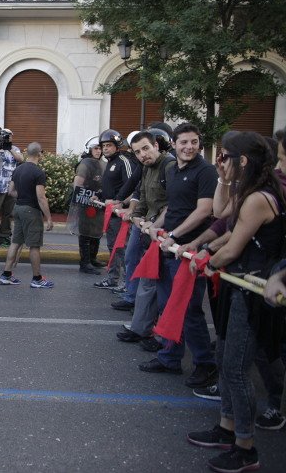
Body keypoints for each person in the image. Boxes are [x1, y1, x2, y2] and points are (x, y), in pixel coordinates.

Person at [186, 131, 286, 473]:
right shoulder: (246, 190)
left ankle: (246, 448)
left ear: (242, 161)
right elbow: (222, 215)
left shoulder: (260, 197)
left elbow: (234, 246)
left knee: (236, 370)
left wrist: (206, 260)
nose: (220, 163)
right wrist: (224, 180)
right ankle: (226, 428)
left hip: (251, 290)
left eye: (225, 158)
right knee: (224, 356)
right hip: (236, 284)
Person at [140, 122, 218, 388]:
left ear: (199, 144)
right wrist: (157, 225)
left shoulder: (206, 171)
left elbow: (204, 211)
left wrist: (174, 235)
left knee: (189, 310)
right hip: (168, 248)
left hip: (187, 251)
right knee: (167, 306)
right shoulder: (173, 170)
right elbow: (172, 206)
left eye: (194, 142)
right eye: (183, 142)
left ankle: (205, 364)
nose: (189, 147)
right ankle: (170, 357)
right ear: (173, 144)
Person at [115, 131, 174, 346]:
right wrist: (137, 217)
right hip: (150, 234)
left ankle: (162, 339)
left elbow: (173, 204)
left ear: (156, 145)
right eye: (138, 152)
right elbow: (143, 198)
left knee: (164, 290)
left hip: (165, 236)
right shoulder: (147, 168)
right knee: (147, 283)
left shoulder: (169, 166)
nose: (142, 155)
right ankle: (141, 329)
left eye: (146, 148)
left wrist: (154, 225)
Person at [0, 142, 54, 288]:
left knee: (15, 242)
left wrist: (23, 195)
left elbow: (10, 191)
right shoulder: (38, 173)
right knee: (34, 246)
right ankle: (37, 279)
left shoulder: (18, 169)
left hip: (18, 208)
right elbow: (41, 198)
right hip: (31, 211)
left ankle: (6, 275)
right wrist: (49, 218)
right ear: (39, 154)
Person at [94, 129, 134, 290]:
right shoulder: (110, 163)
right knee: (112, 247)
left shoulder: (124, 161)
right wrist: (100, 196)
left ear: (118, 146)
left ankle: (126, 283)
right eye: (103, 146)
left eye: (109, 145)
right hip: (110, 213)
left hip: (121, 214)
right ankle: (112, 278)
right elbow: (111, 187)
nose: (105, 149)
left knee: (123, 248)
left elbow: (132, 188)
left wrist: (121, 203)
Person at [72, 135, 106, 274]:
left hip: (98, 203)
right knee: (86, 233)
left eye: (101, 148)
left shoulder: (101, 163)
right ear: (89, 149)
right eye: (96, 148)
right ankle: (84, 263)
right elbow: (77, 184)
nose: (99, 151)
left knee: (96, 232)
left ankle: (93, 259)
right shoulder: (85, 163)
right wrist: (86, 198)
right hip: (86, 204)